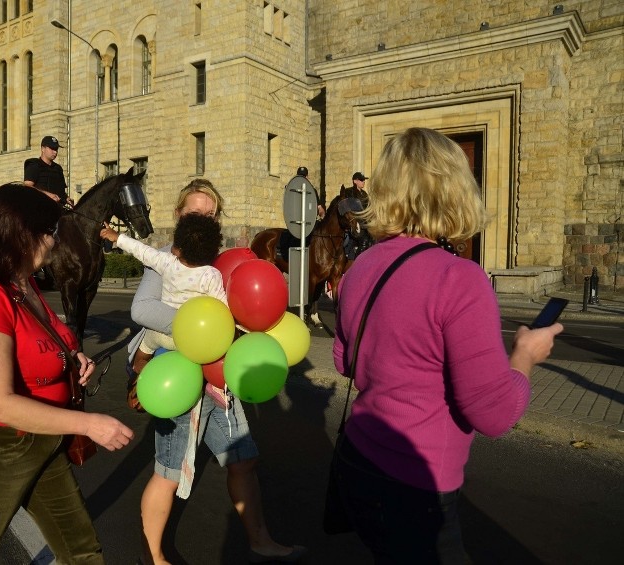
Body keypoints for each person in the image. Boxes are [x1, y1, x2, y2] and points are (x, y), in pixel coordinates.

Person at [330, 128, 562, 563]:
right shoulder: (461, 278)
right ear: (455, 188)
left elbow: (345, 362)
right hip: (417, 488)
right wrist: (524, 357)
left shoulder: (359, 267)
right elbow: (492, 415)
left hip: (357, 464)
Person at [0, 183, 134, 564]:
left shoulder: (24, 286)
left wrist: (74, 357)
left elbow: (44, 344)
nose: (55, 239)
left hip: (44, 441)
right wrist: (91, 425)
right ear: (20, 234)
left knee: (82, 552)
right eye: (49, 231)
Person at [128, 178, 306, 565]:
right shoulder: (166, 256)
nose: (201, 219)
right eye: (194, 213)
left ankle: (260, 540)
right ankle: (153, 556)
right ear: (178, 215)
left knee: (243, 460)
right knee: (168, 471)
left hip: (220, 380)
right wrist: (202, 325)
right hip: (178, 376)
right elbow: (141, 311)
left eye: (209, 214)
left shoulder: (223, 263)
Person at [100, 212, 226, 356]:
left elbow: (142, 251)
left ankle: (138, 366)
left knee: (146, 342)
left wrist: (117, 237)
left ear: (178, 250)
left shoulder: (167, 263)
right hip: (193, 338)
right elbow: (223, 308)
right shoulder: (210, 275)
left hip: (163, 336)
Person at [24, 135, 72, 206]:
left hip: (57, 209)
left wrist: (66, 198)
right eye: (52, 149)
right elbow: (27, 187)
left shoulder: (58, 168)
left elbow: (61, 192)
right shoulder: (34, 165)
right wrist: (48, 195)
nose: (55, 152)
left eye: (56, 149)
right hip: (38, 208)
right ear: (43, 148)